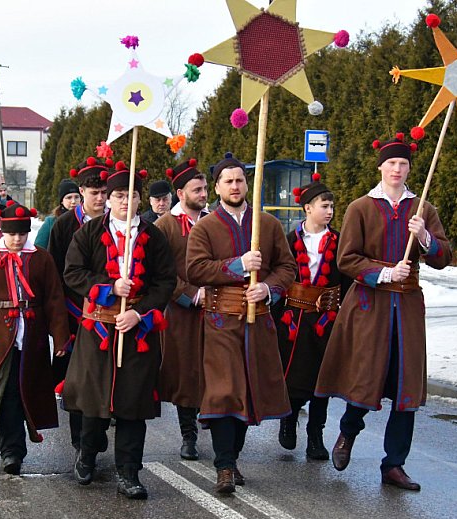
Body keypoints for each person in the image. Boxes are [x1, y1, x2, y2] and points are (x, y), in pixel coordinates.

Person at [314, 133, 452, 491]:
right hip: (370, 306)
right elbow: (347, 259)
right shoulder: (362, 207)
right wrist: (386, 272)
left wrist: (425, 238)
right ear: (381, 167)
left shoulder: (422, 209)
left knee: (405, 387)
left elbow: (443, 257)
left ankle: (394, 464)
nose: (397, 169)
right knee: (366, 377)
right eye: (391, 163)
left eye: (403, 164)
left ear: (409, 169)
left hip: (406, 308)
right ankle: (347, 432)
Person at [64, 162, 176, 500]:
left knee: (132, 403)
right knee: (94, 399)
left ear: (140, 199)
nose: (125, 201)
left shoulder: (152, 236)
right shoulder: (88, 232)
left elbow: (165, 281)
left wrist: (140, 313)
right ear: (108, 199)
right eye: (118, 195)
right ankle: (87, 453)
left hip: (136, 332)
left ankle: (129, 472)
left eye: (132, 195)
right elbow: (73, 272)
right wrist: (110, 286)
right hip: (98, 326)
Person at [185, 153, 295, 495]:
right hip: (220, 321)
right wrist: (238, 264)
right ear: (216, 187)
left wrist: (268, 288)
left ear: (248, 184)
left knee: (247, 391)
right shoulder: (205, 227)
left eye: (240, 180)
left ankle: (232, 459)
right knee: (224, 391)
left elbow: (287, 269)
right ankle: (224, 465)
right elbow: (195, 270)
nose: (235, 186)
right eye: (228, 181)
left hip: (257, 321)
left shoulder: (268, 225)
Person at [0, 201, 70, 475]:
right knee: (5, 394)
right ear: (2, 232)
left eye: (22, 234)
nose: (17, 239)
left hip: (32, 339)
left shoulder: (41, 258)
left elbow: (54, 299)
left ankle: (21, 443)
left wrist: (61, 337)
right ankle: (11, 452)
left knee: (24, 391)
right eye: (12, 234)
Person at [272, 180, 350, 460]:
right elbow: (279, 275)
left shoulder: (339, 241)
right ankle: (289, 420)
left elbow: (348, 280)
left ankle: (316, 435)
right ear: (307, 208)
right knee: (293, 375)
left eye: (332, 206)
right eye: (324, 206)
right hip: (293, 318)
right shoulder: (289, 240)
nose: (329, 211)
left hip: (326, 319)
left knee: (322, 379)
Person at [46, 155, 111, 451]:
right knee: (78, 380)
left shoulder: (118, 223)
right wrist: (58, 317)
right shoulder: (63, 225)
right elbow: (55, 273)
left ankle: (99, 432)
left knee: (108, 376)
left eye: (104, 192)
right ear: (81, 192)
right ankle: (80, 444)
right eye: (94, 192)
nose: (100, 198)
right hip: (75, 313)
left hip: (111, 312)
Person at [154, 158, 209, 461]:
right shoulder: (165, 226)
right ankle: (188, 434)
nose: (203, 194)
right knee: (186, 373)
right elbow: (161, 273)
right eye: (197, 189)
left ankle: (212, 416)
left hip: (215, 309)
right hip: (181, 311)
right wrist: (190, 294)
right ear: (180, 192)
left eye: (204, 188)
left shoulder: (213, 220)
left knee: (215, 366)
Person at [34, 179, 80, 250]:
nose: (73, 201)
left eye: (76, 197)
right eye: (69, 197)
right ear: (62, 201)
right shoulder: (51, 221)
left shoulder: (85, 219)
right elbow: (39, 248)